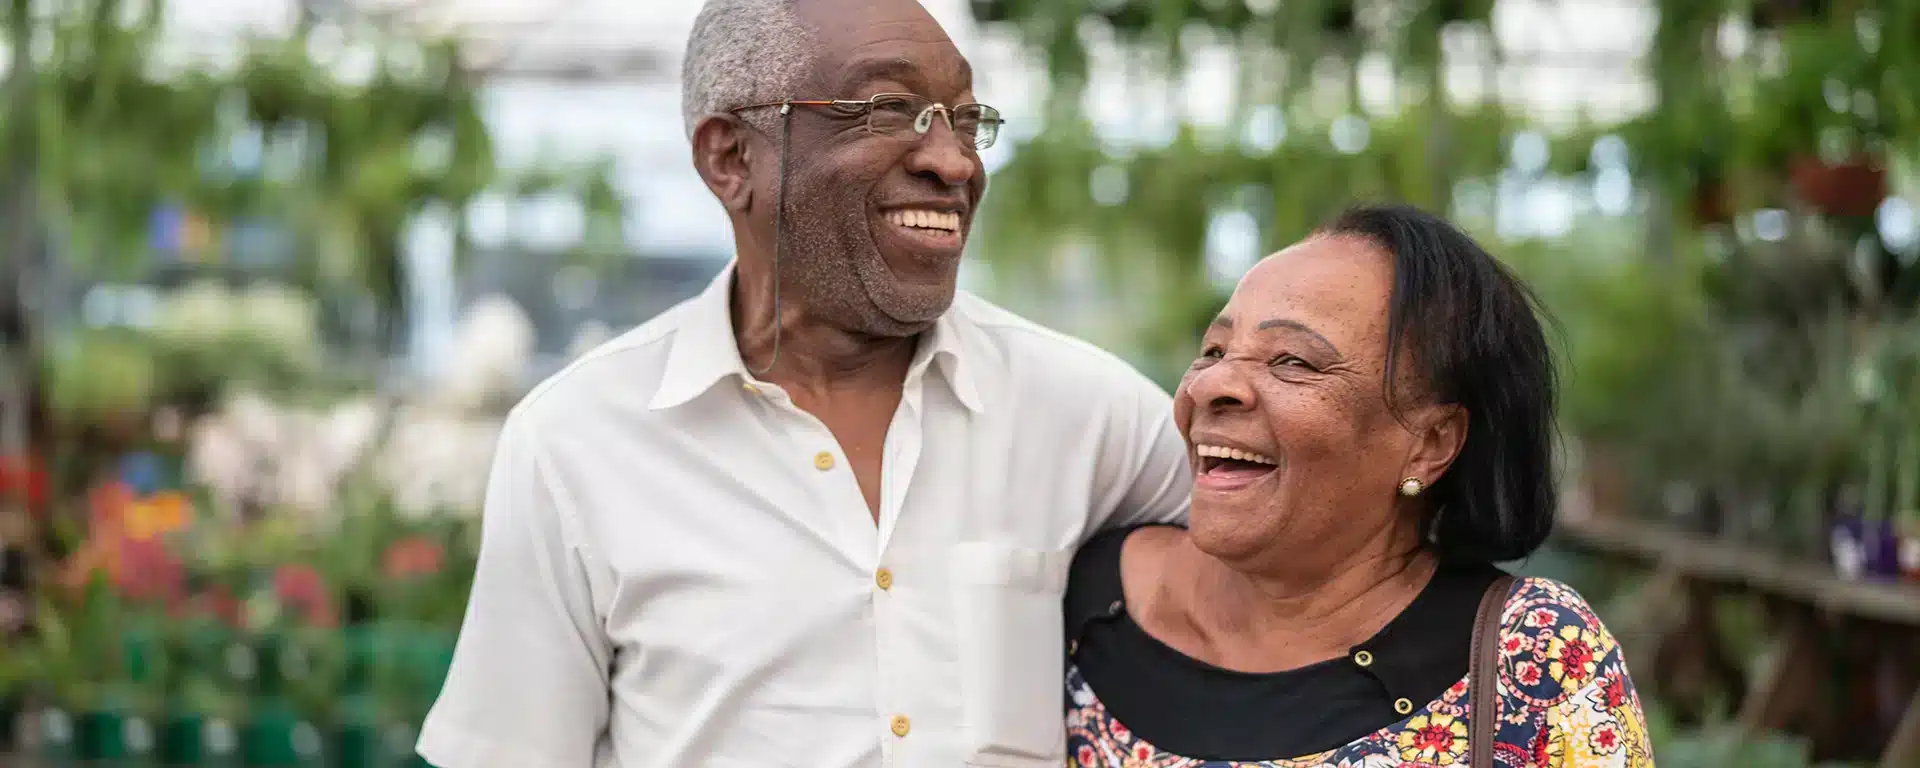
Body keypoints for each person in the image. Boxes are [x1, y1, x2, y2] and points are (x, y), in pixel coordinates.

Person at [415, 0, 1191, 766]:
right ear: (730, 158)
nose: (954, 162)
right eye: (889, 109)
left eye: (963, 118)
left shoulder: (1095, 417)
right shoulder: (576, 441)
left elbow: (1291, 593)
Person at [1063, 204, 1654, 768]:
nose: (1211, 385)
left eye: (1292, 361)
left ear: (1431, 443)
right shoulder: (1080, 599)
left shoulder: (1534, 654)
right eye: (1214, 350)